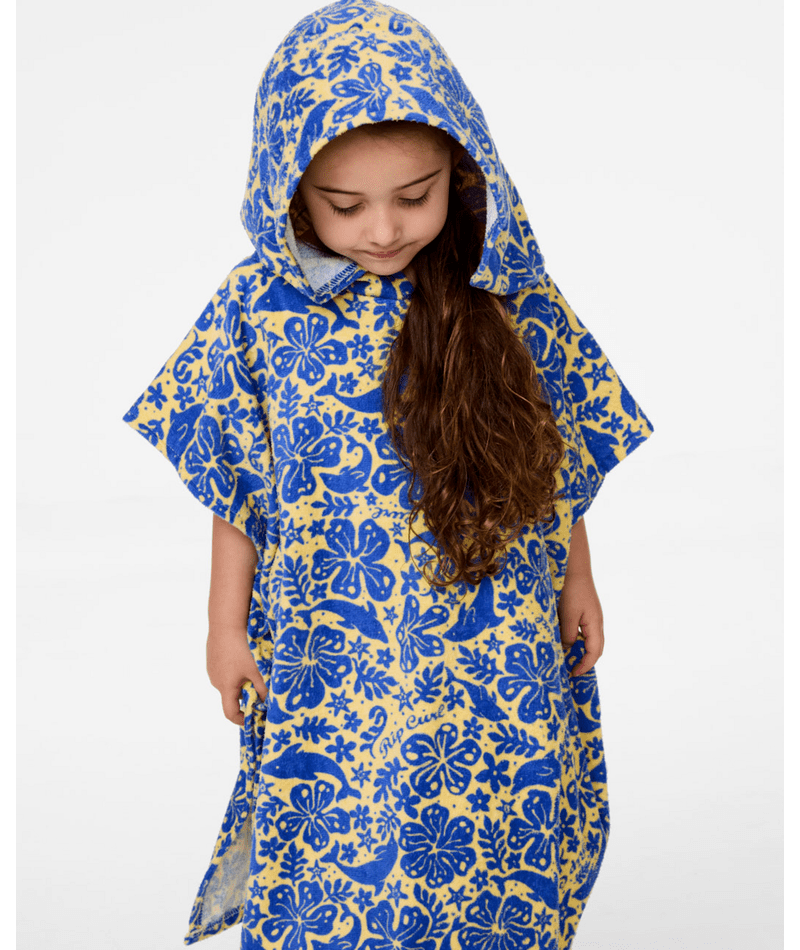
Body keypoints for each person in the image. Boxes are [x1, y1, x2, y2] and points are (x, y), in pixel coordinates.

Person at [123, 2, 654, 948]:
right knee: (336, 828)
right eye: (345, 205)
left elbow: (552, 459)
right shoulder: (256, 310)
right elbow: (234, 486)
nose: (381, 230)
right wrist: (223, 626)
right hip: (334, 641)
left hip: (494, 633)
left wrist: (579, 577)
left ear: (461, 171)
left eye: (415, 197)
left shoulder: (509, 296)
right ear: (290, 186)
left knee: (494, 817)